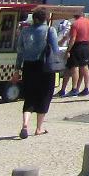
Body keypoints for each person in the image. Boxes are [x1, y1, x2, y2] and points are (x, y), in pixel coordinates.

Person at [16, 8, 60, 138]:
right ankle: (39, 128)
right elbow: (55, 49)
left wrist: (17, 69)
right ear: (45, 18)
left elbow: (20, 51)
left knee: (29, 96)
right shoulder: (49, 30)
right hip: (45, 67)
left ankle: (25, 124)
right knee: (45, 95)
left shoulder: (25, 31)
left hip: (28, 66)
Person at [61, 7, 89, 97]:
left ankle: (74, 89)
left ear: (74, 15)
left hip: (77, 46)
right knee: (85, 67)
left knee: (75, 67)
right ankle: (86, 88)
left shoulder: (75, 24)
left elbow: (72, 38)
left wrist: (68, 50)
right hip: (86, 45)